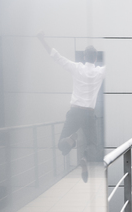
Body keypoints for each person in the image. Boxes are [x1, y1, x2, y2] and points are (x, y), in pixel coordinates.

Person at [37, 31, 106, 182]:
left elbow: (57, 57)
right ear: (95, 58)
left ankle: (71, 140)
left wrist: (42, 40)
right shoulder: (99, 72)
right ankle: (85, 158)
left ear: (84, 57)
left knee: (61, 145)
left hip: (74, 112)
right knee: (94, 145)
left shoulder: (76, 68)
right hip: (88, 114)